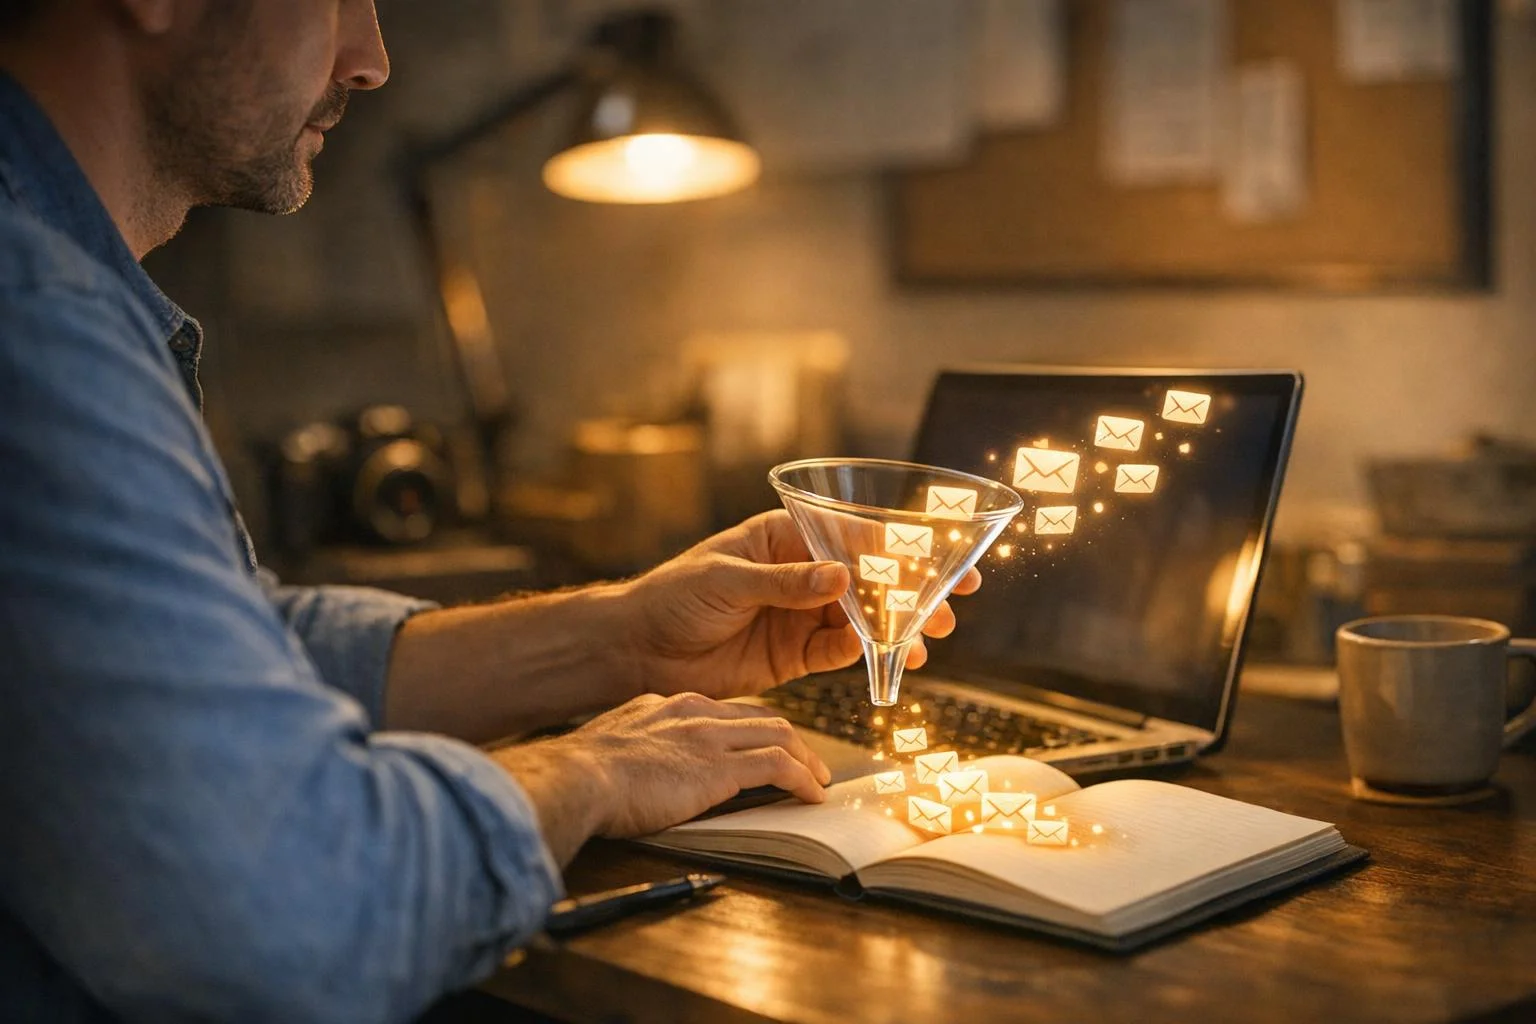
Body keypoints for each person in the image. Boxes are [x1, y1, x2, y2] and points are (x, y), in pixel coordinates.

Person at [0, 2, 980, 1020]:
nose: (370, 60)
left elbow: (224, 650)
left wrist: (620, 636)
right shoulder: (32, 321)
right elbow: (291, 909)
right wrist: (586, 769)